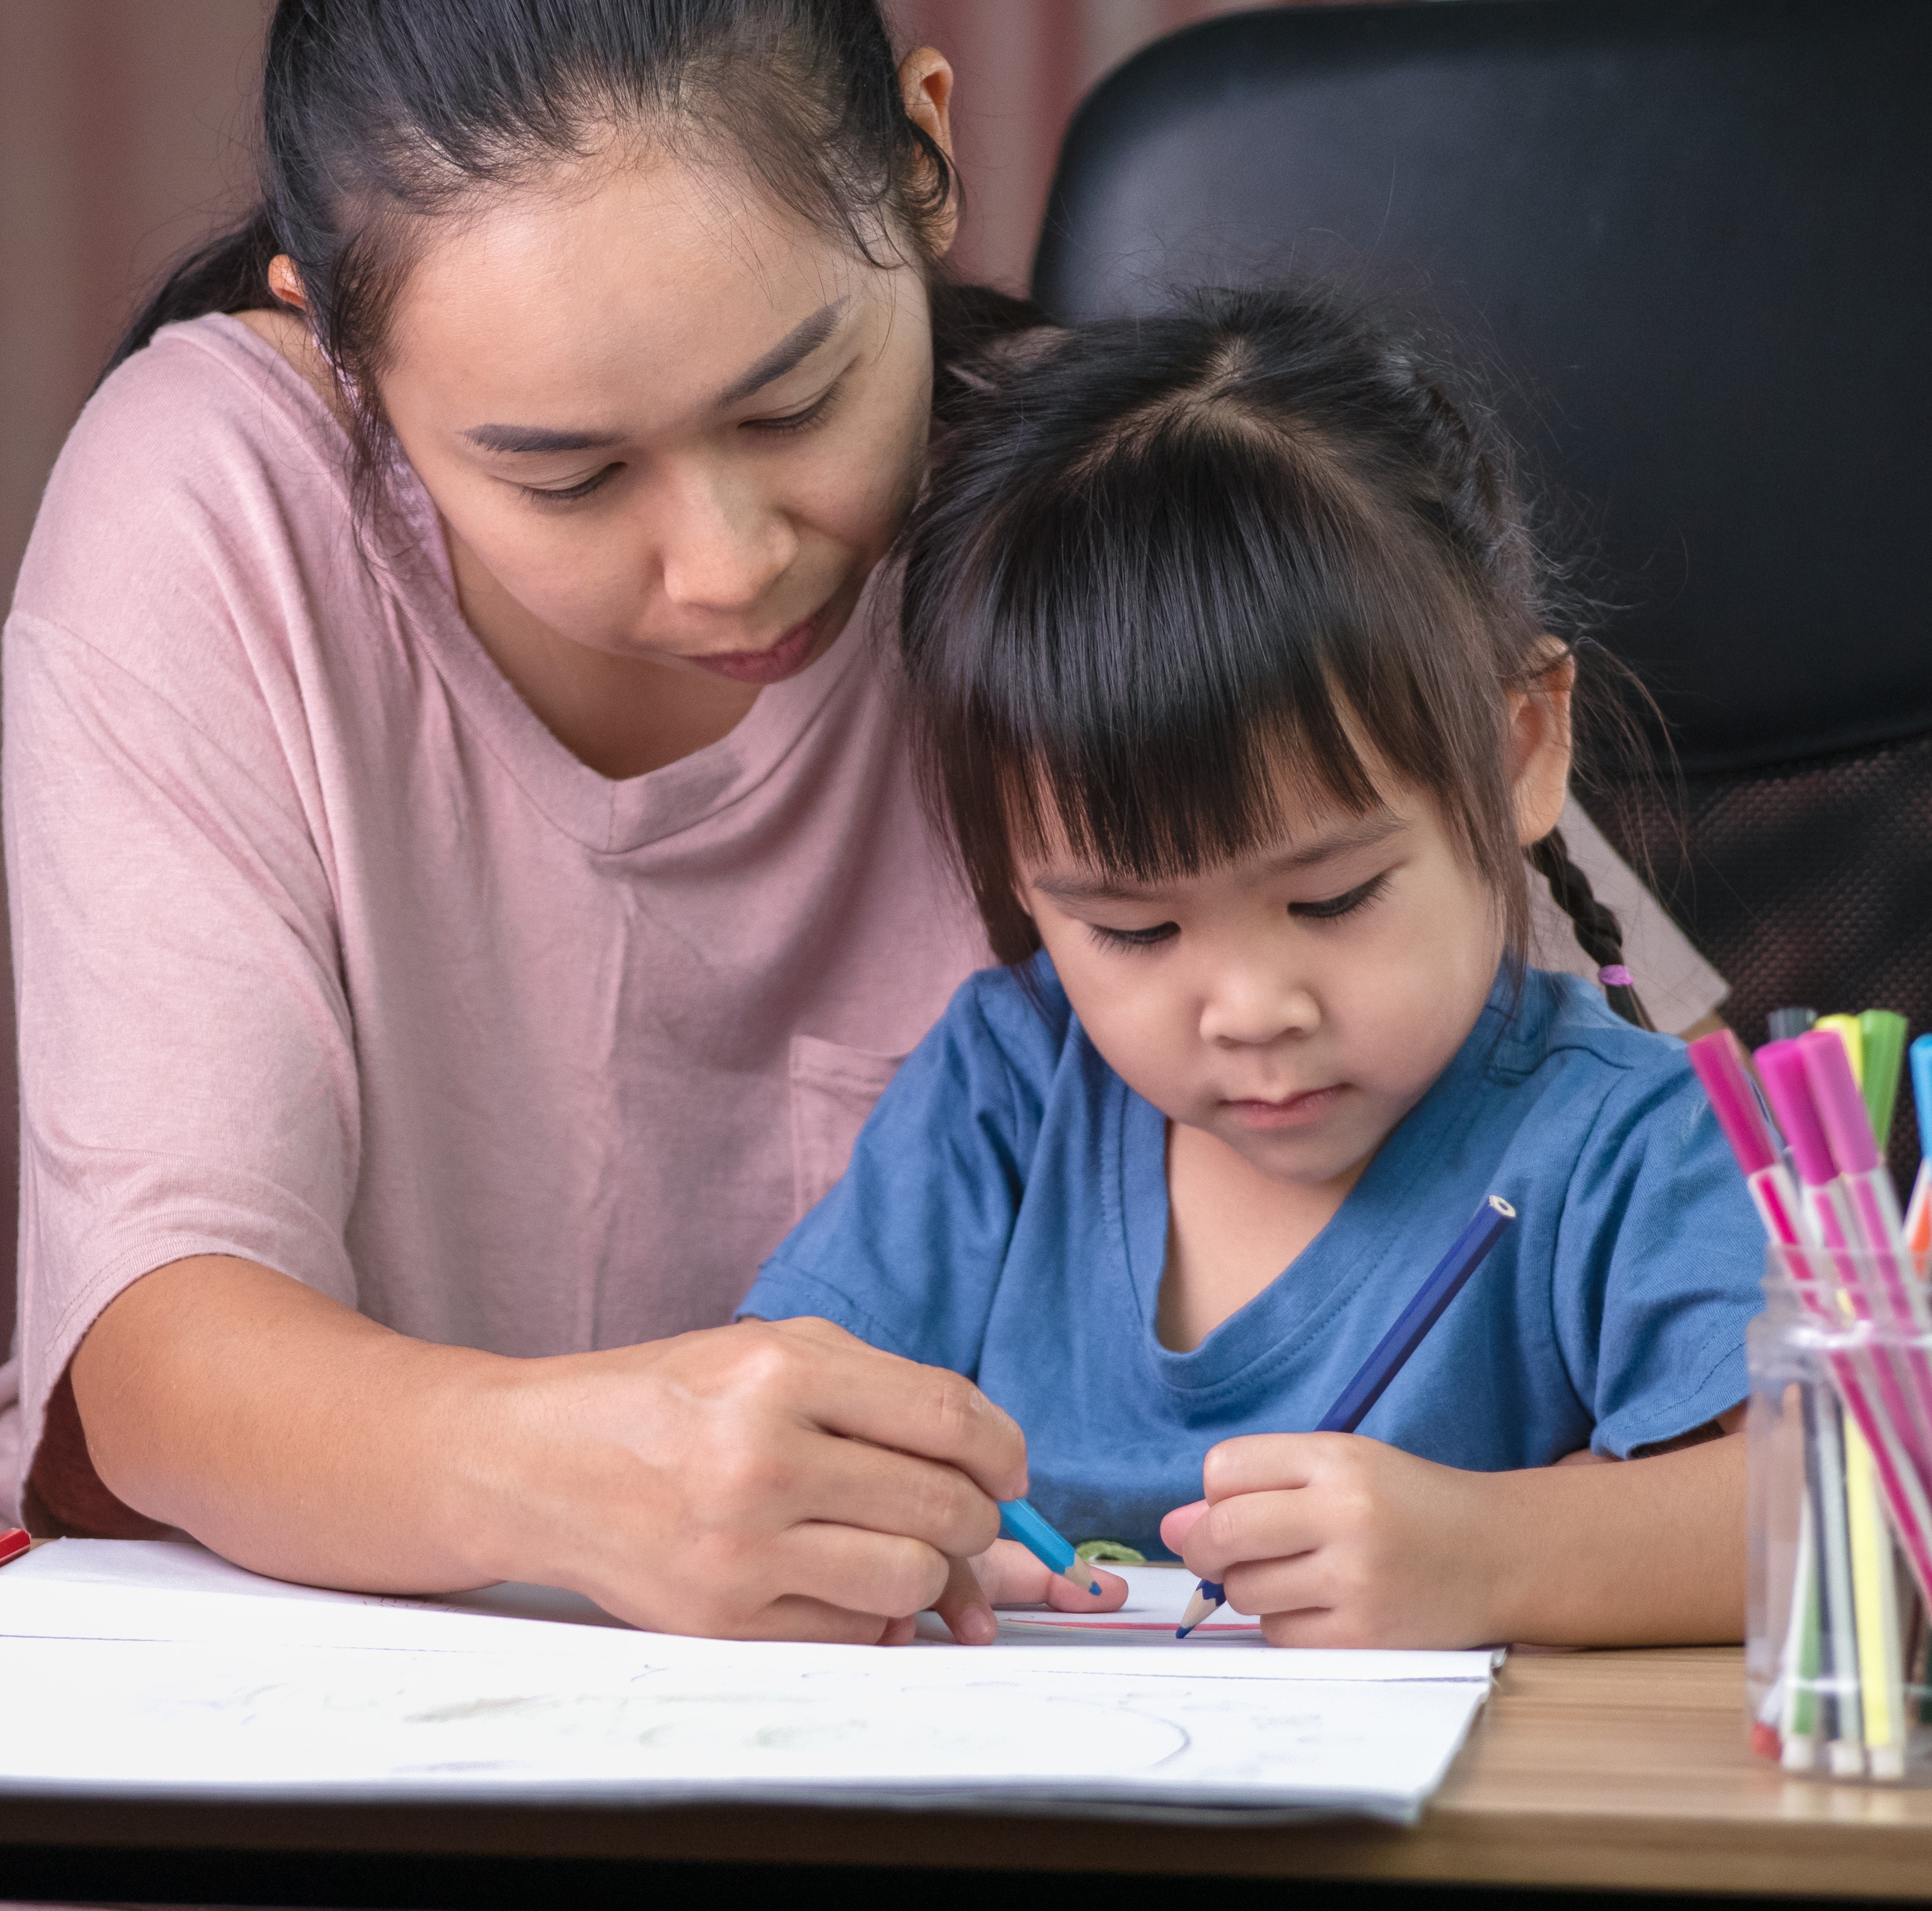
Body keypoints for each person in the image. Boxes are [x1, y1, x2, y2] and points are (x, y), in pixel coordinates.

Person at [0, 0, 1729, 1646]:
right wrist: (579, 1481)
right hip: (263, 1638)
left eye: (795, 403)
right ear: (337, 333)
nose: (732, 562)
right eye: (564, 472)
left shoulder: (1087, 546)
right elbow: (159, 1345)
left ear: (921, 161)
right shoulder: (219, 495)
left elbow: (1693, 1140)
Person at [738, 290, 1765, 1648]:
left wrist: (1492, 1555)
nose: (1250, 1011)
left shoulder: (1624, 1143)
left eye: (1331, 897)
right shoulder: (1007, 1083)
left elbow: (1859, 1508)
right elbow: (782, 1416)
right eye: (1134, 932)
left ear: (1517, 747)